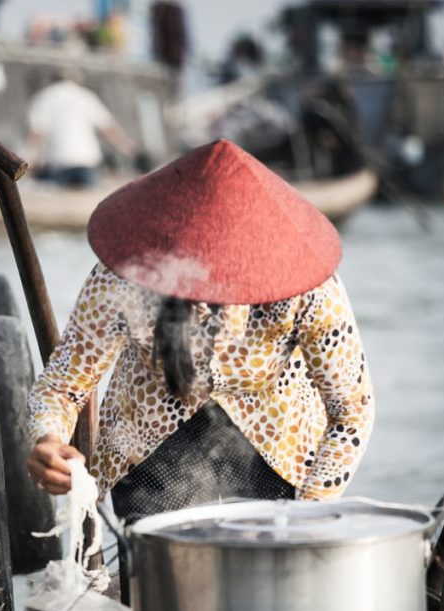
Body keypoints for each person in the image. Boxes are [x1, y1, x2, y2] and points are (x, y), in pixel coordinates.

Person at [25, 140, 375, 524]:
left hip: (278, 444)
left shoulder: (309, 287)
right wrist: (48, 440)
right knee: (162, 565)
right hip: (146, 440)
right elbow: (63, 386)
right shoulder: (125, 276)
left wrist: (311, 512)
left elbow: (350, 414)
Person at [27, 70, 137, 189]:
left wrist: (30, 159)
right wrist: (126, 146)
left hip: (58, 162)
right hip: (86, 162)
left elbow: (37, 132)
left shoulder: (45, 97)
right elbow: (108, 127)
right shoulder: (86, 96)